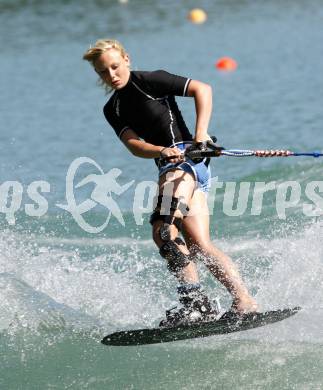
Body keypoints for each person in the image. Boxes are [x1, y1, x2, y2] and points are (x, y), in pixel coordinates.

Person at [83, 39, 257, 327]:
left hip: (186, 164)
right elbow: (134, 145)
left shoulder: (150, 81)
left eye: (115, 66)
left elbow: (203, 88)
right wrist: (161, 151)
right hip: (170, 166)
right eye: (103, 72)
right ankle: (244, 300)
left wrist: (200, 135)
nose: (111, 75)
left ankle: (194, 303)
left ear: (126, 59)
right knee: (199, 245)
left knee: (163, 228)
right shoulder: (112, 108)